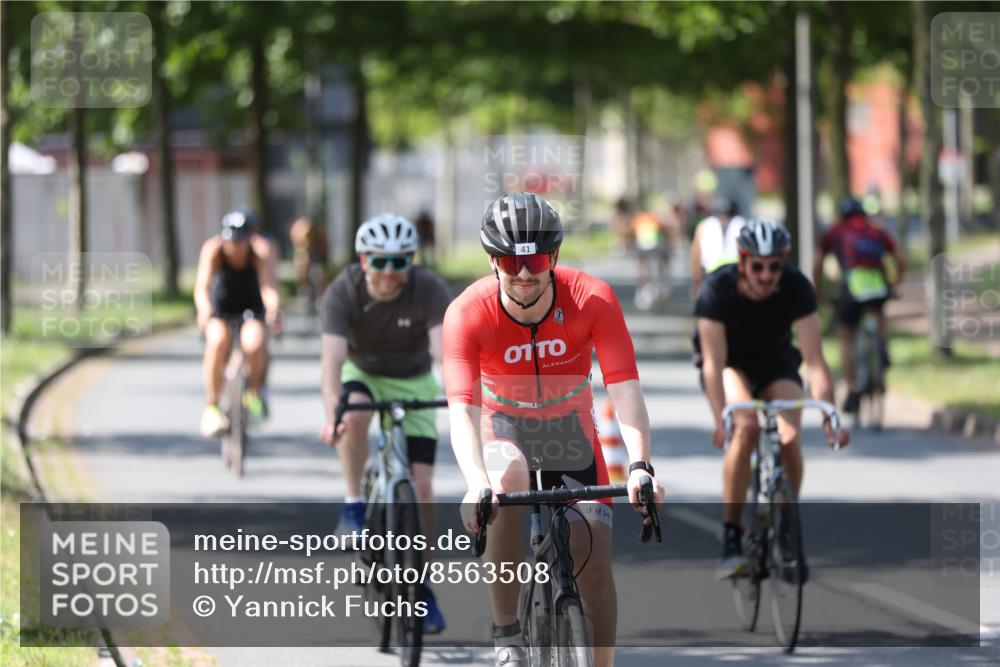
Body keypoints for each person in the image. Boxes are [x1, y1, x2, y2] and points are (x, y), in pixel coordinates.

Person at [443, 192, 665, 667]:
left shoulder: (592, 298)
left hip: (570, 432)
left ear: (555, 257)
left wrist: (642, 465)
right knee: (506, 481)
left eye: (537, 260)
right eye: (509, 261)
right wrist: (475, 482)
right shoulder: (468, 312)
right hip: (503, 429)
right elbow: (461, 408)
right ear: (492, 261)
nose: (524, 274)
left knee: (595, 562)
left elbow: (624, 388)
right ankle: (507, 635)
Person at [693, 218, 849, 580]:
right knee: (745, 427)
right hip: (731, 362)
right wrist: (721, 420)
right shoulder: (716, 289)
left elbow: (815, 362)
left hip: (776, 362)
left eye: (774, 266)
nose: (766, 275)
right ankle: (732, 536)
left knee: (791, 437)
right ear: (743, 262)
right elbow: (713, 365)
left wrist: (830, 416)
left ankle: (785, 524)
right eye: (758, 267)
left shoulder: (796, 286)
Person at [319, 213, 451, 633]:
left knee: (423, 485)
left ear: (411, 261)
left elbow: (444, 351)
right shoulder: (343, 291)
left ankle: (422, 586)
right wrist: (332, 414)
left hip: (415, 382)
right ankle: (354, 503)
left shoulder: (428, 288)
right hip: (364, 375)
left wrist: (455, 391)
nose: (390, 273)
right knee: (354, 414)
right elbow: (332, 364)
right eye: (381, 262)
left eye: (400, 262)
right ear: (363, 260)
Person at [813, 196, 906, 414]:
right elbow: (900, 259)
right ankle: (882, 348)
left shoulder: (836, 231)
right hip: (877, 285)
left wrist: (819, 292)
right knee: (879, 313)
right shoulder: (877, 231)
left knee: (846, 337)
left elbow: (817, 263)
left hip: (851, 286)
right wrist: (895, 283)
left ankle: (853, 387)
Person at [194, 209, 283, 437]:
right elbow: (202, 286)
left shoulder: (259, 253)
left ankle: (253, 394)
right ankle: (211, 407)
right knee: (217, 340)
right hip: (221, 307)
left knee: (253, 343)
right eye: (231, 241)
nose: (236, 247)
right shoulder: (213, 250)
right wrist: (204, 310)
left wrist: (273, 309)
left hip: (251, 306)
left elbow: (268, 287)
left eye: (240, 241)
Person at [689, 196, 746, 298]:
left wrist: (696, 282)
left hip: (716, 275)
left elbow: (696, 256)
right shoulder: (742, 224)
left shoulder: (704, 225)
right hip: (732, 275)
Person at [632, 208, 672, 309]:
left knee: (641, 263)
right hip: (656, 246)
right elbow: (664, 231)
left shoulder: (638, 219)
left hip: (642, 246)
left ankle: (643, 281)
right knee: (664, 259)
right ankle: (663, 280)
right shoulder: (655, 218)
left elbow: (632, 233)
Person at [289, 215, 329, 312]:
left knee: (318, 275)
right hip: (307, 257)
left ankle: (321, 298)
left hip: (316, 258)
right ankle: (305, 293)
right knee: (303, 266)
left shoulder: (316, 234)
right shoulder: (299, 232)